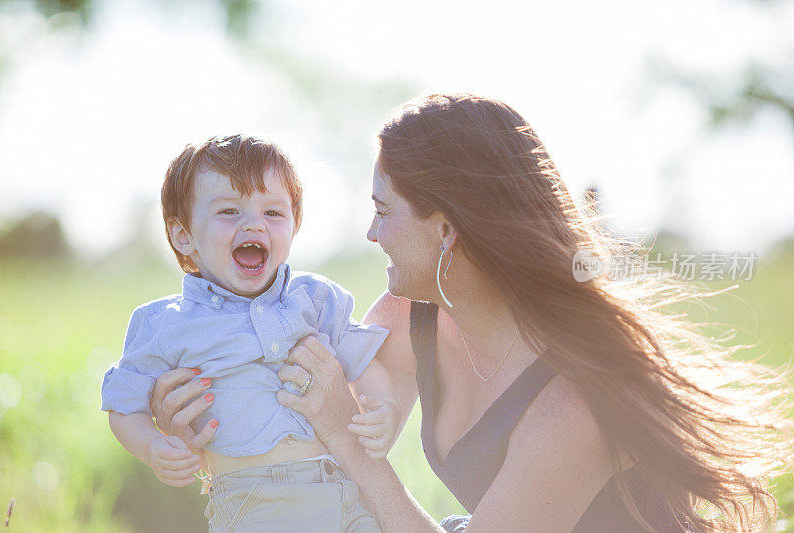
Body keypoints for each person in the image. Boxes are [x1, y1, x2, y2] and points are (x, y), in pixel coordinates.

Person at [150, 96, 794, 532]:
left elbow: (344, 434)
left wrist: (347, 435)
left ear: (446, 230)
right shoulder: (409, 319)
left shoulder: (569, 408)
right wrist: (189, 411)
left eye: (384, 211)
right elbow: (306, 428)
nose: (370, 235)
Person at [100, 134, 401, 533]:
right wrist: (153, 447)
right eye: (229, 210)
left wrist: (384, 408)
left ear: (294, 227)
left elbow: (363, 363)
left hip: (340, 491)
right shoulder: (166, 323)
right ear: (183, 235)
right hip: (250, 503)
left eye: (273, 213)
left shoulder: (313, 298)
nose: (254, 223)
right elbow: (124, 405)